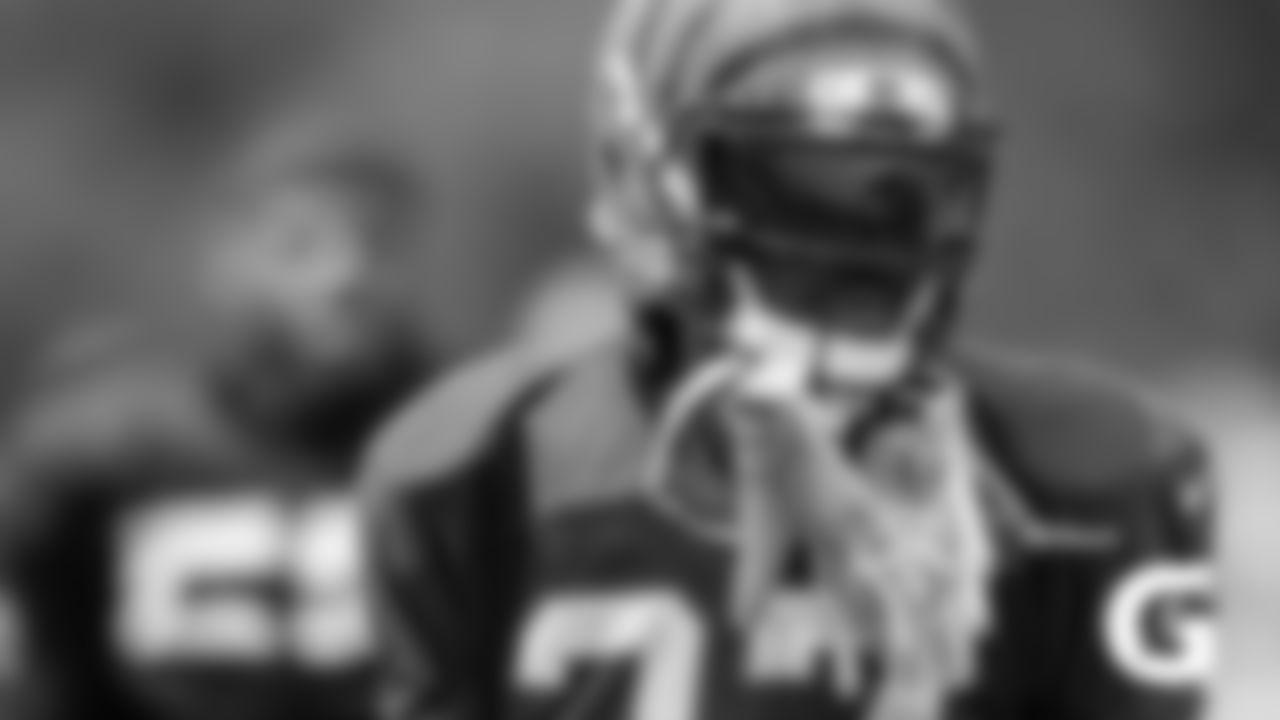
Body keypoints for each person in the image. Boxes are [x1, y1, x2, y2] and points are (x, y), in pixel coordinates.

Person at [361, 0, 1216, 719]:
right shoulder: (484, 472)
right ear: (642, 176)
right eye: (793, 186)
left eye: (900, 194)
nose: (855, 252)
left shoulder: (1087, 478)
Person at [0, 143, 433, 720]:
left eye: (378, 242)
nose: (345, 275)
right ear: (228, 262)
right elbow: (42, 669)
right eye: (300, 245)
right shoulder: (101, 455)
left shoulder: (471, 447)